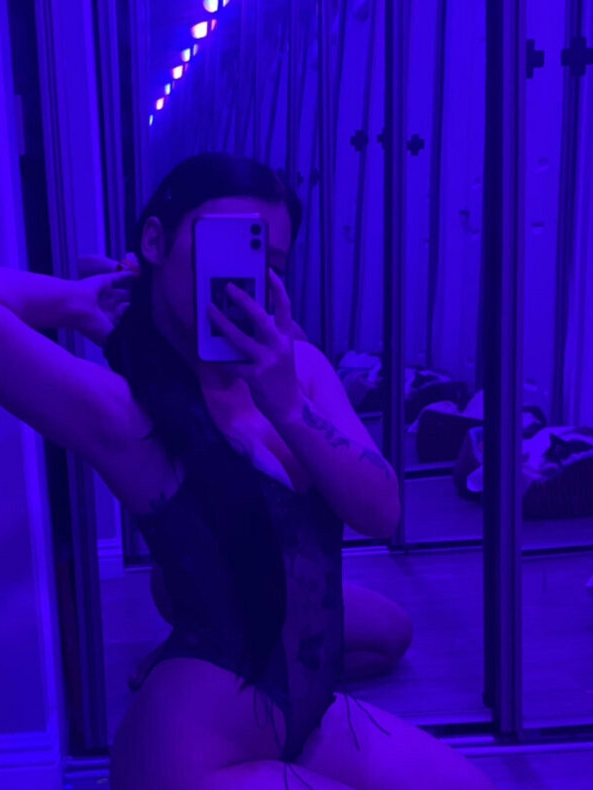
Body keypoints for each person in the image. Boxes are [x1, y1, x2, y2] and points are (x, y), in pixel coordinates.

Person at [0, 153, 501, 790]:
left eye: (269, 258)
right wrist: (76, 300)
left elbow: (382, 511)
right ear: (156, 243)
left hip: (302, 717)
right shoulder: (126, 414)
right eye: (221, 245)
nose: (243, 277)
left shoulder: (300, 373)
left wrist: (286, 400)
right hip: (194, 764)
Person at [78, 253, 415, 691]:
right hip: (199, 585)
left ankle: (233, 665)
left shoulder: (296, 362)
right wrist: (135, 284)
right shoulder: (156, 368)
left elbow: (381, 511)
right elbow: (83, 271)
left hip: (290, 585)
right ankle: (209, 657)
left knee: (393, 633)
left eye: (272, 265)